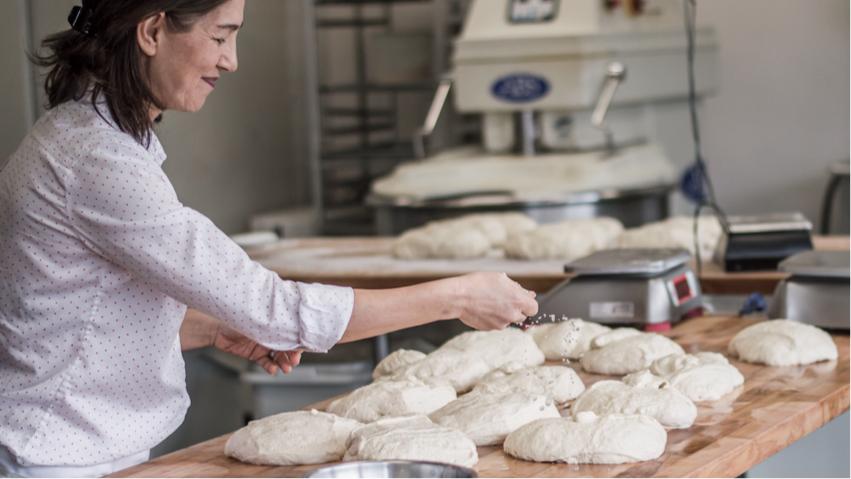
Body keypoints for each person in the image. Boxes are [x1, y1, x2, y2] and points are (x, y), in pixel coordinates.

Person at [0, 0, 539, 476]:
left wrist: (210, 328)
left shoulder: (83, 140)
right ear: (152, 31)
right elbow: (275, 309)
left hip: (71, 447)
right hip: (57, 457)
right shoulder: (98, 162)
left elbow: (73, 316)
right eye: (220, 35)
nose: (231, 60)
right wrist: (456, 297)